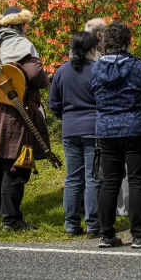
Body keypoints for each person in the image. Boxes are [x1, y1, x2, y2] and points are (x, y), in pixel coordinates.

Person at [0, 7, 50, 233]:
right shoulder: (24, 47)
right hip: (17, 115)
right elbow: (37, 75)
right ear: (20, 26)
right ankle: (11, 220)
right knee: (15, 166)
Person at [91, 21, 141, 249]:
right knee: (138, 181)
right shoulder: (138, 67)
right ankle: (139, 234)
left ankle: (106, 234)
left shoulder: (97, 68)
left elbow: (94, 95)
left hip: (107, 129)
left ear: (105, 42)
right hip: (136, 127)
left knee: (110, 181)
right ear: (128, 41)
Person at [49, 31, 101, 238]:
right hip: (93, 128)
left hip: (70, 129)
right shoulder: (97, 70)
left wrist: (67, 117)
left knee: (73, 178)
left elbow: (54, 104)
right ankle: (93, 224)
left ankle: (71, 224)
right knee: (92, 177)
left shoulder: (62, 71)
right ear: (92, 49)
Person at [86, 17, 129, 218]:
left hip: (103, 124)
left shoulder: (95, 66)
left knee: (105, 176)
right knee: (122, 176)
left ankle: (103, 226)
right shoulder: (134, 65)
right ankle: (122, 213)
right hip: (129, 124)